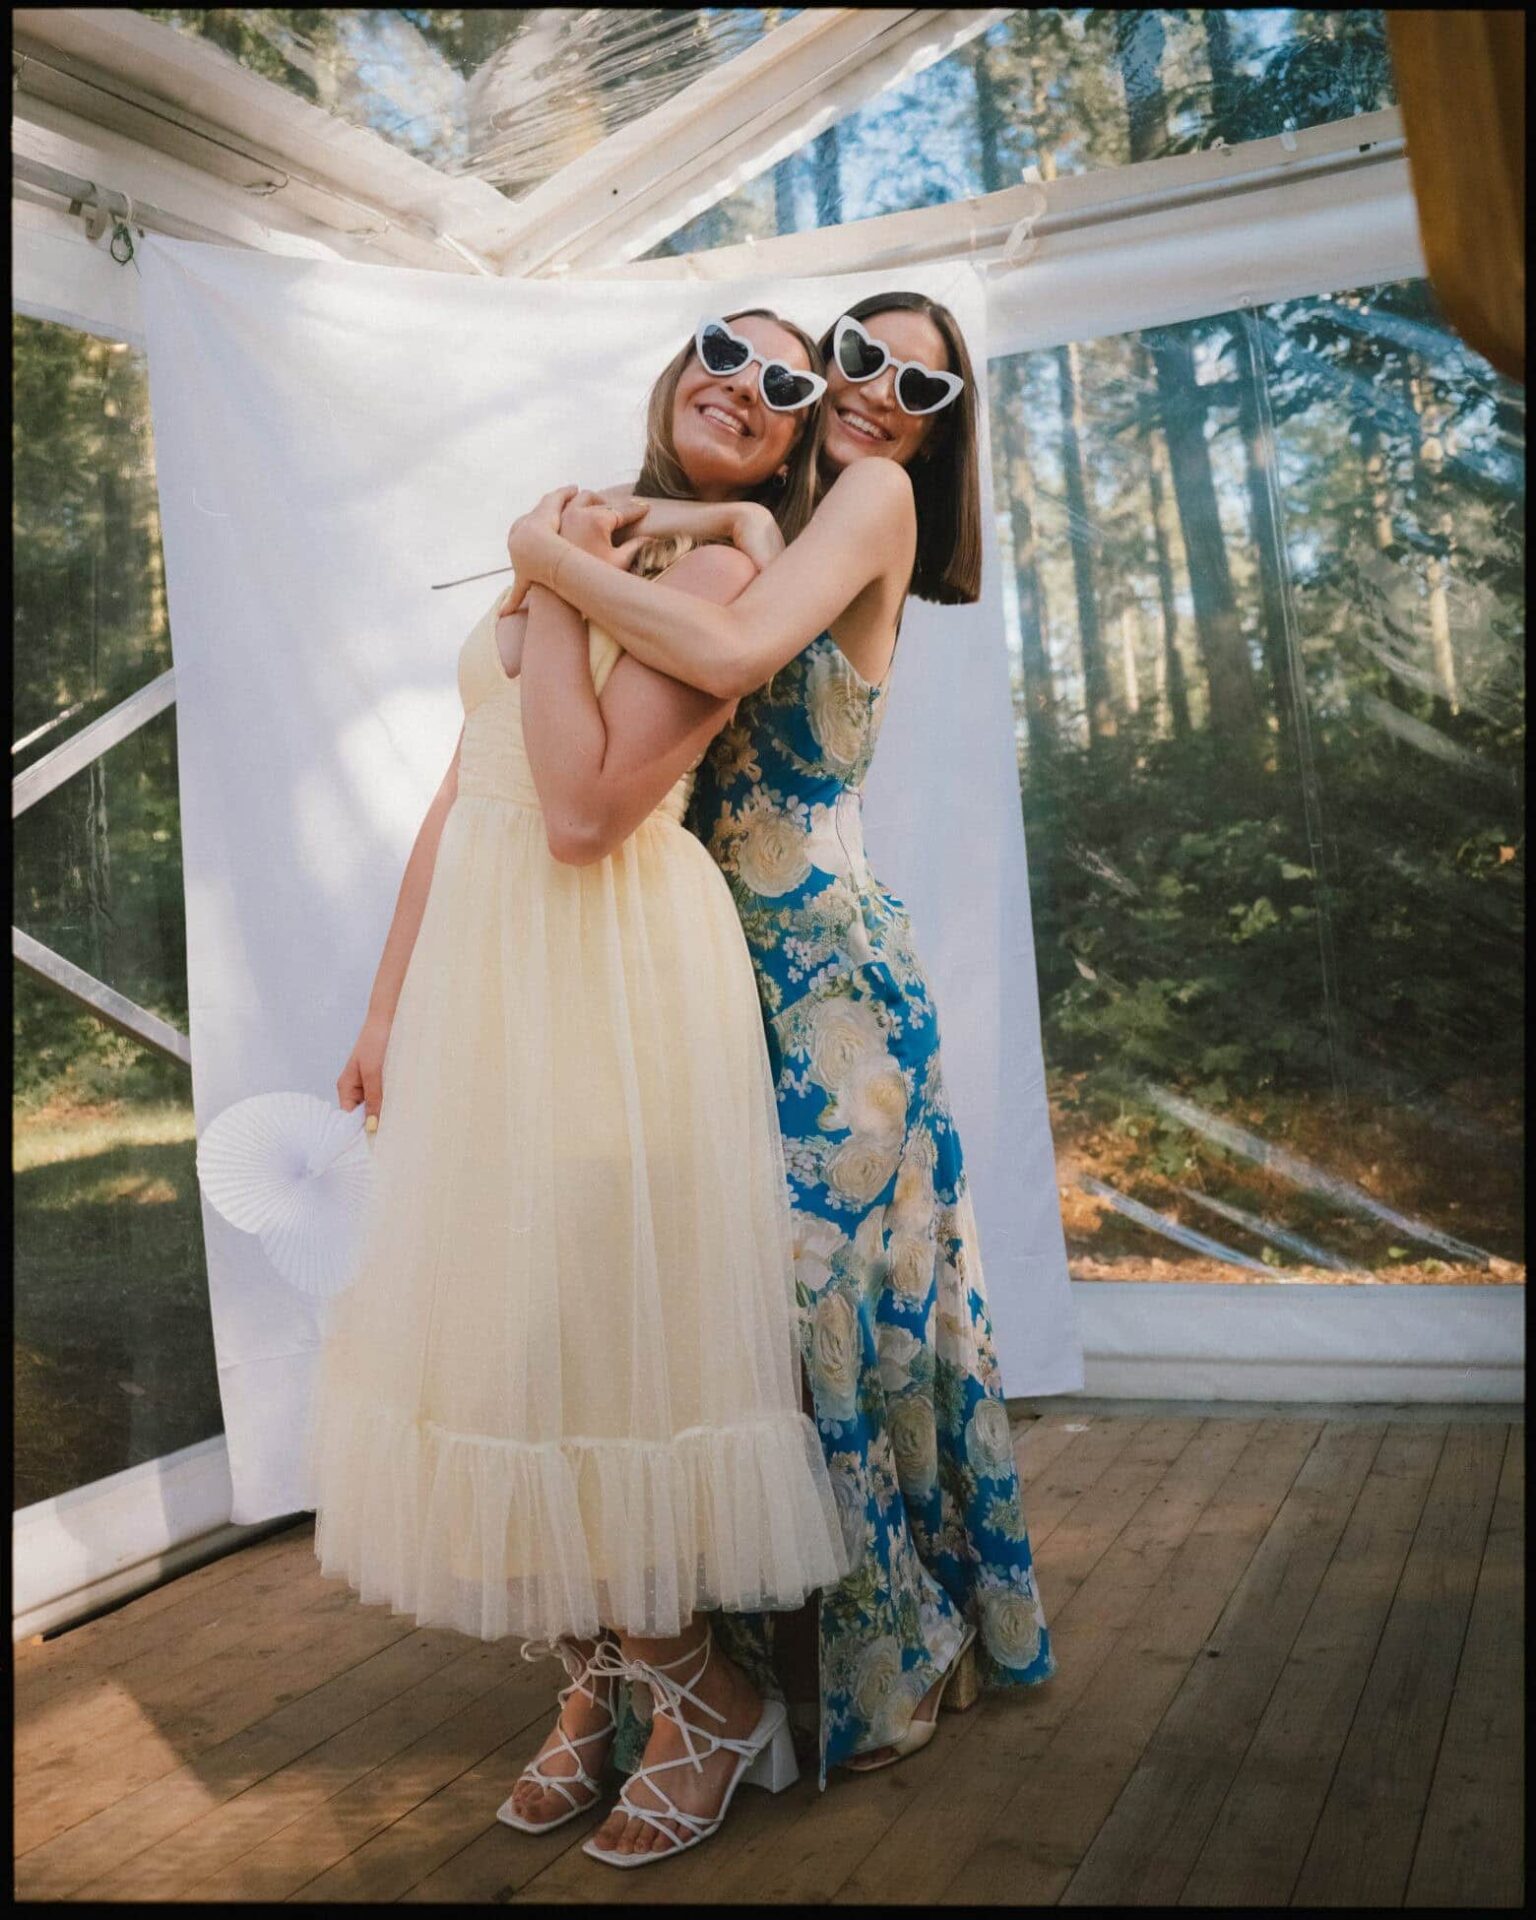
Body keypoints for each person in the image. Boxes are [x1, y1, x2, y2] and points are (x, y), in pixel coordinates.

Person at [308, 310, 849, 1869]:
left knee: (592, 1335)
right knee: (488, 1332)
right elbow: (461, 783)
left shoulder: (717, 573)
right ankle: (599, 1684)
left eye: (784, 384)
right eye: (720, 351)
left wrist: (542, 579)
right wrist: (389, 1004)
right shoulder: (590, 543)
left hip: (603, 972)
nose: (740, 385)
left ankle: (709, 1692)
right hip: (486, 976)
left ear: (805, 434)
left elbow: (583, 809)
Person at [506, 292, 1056, 1795]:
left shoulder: (868, 498)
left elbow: (732, 656)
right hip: (697, 977)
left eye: (920, 386)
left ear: (940, 432)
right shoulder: (757, 520)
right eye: (856, 363)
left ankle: (886, 1657)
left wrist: (552, 560)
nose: (881, 397)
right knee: (725, 1329)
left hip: (827, 992)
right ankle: (706, 1680)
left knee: (820, 1325)